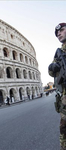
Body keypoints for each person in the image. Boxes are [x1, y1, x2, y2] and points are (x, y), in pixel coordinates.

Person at [48, 22, 66, 150]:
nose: (58, 33)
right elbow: (52, 73)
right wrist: (51, 68)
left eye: (61, 30)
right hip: (65, 98)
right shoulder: (59, 53)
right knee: (64, 129)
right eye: (56, 33)